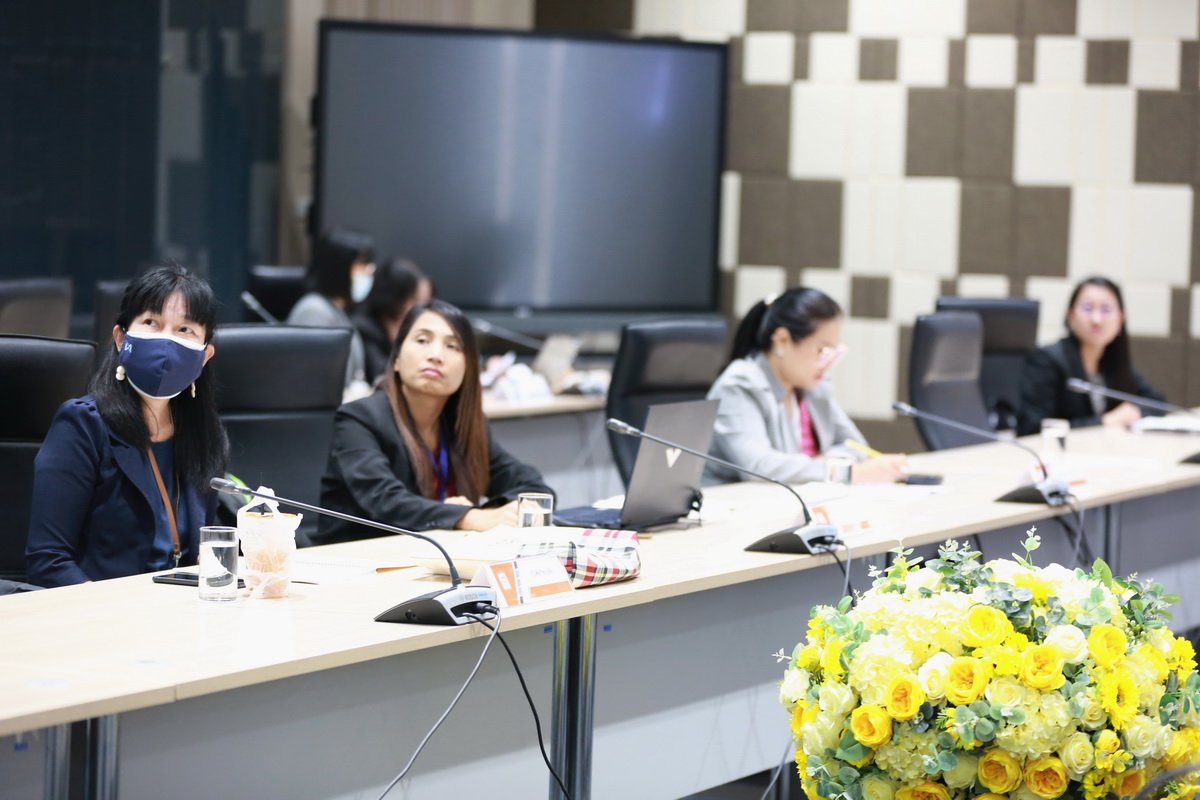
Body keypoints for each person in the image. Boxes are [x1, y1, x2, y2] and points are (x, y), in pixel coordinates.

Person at [26, 264, 228, 587]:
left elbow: (204, 547)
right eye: (151, 323)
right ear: (121, 338)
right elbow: (48, 561)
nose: (166, 341)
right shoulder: (82, 425)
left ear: (205, 356)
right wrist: (110, 610)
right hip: (99, 610)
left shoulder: (205, 434)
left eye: (184, 330)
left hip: (182, 608)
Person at [315, 299, 553, 544]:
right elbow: (386, 501)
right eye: (422, 341)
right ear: (396, 359)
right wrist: (467, 516)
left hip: (435, 558)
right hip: (355, 559)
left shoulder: (461, 426)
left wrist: (503, 512)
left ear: (468, 369)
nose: (436, 356)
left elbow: (531, 485)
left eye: (452, 346)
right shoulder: (359, 419)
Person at [706, 288, 907, 485]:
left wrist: (817, 465)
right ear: (782, 340)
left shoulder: (812, 385)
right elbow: (760, 466)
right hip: (735, 503)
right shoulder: (739, 385)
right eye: (822, 351)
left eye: (834, 352)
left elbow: (856, 447)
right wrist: (843, 472)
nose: (828, 364)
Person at [1018, 276, 1165, 435]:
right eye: (1087, 308)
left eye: (1106, 310)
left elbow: (1159, 405)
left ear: (1121, 318)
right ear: (1070, 315)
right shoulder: (1047, 361)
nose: (1096, 319)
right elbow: (1032, 427)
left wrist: (1133, 412)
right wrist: (1105, 422)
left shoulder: (1114, 361)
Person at [287, 227, 376, 389]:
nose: (369, 270)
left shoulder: (338, 309)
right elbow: (312, 380)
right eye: (361, 264)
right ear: (339, 268)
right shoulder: (313, 311)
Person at [352, 257, 433, 385]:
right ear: (397, 297)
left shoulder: (397, 326)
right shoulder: (365, 328)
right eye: (413, 298)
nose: (416, 306)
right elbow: (380, 374)